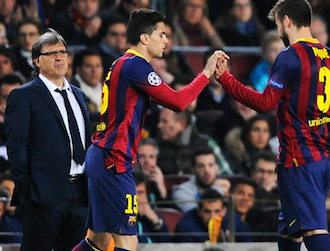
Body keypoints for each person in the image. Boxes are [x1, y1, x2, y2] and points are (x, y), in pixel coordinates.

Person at [214, 0, 330, 250]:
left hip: (299, 161)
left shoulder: (289, 57)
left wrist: (226, 79)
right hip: (322, 160)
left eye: (278, 24)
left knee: (314, 235)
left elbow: (265, 102)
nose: (279, 30)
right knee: (290, 236)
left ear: (286, 21)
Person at [72, 9, 228, 251]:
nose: (166, 40)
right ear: (145, 38)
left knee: (99, 240)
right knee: (127, 240)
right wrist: (206, 73)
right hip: (114, 159)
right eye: (162, 34)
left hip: (103, 155)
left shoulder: (122, 64)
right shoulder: (136, 66)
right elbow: (178, 102)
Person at [5, 28, 91, 251]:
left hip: (80, 194)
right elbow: (16, 148)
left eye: (63, 52)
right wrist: (30, 193)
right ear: (37, 61)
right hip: (43, 196)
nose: (59, 57)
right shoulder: (23, 96)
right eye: (52, 53)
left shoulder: (79, 94)